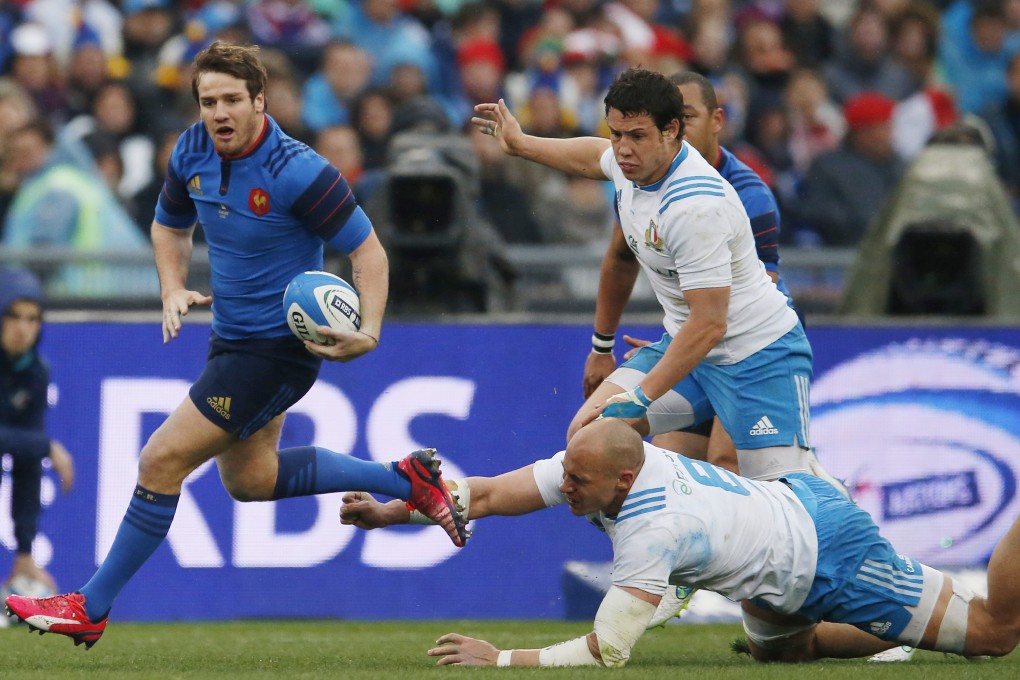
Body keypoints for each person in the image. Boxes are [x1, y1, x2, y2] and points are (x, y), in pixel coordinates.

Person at [5, 41, 468, 649]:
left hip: (278, 351)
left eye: (230, 100)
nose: (218, 113)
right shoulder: (193, 148)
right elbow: (170, 224)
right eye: (207, 102)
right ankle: (406, 479)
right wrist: (172, 285)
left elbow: (369, 251)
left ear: (259, 101)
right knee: (250, 481)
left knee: (160, 460)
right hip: (231, 340)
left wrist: (370, 332)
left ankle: (89, 605)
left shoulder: (299, 171)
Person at [339, 418, 1020, 668]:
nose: (563, 490)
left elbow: (607, 652)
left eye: (576, 482)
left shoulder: (650, 531)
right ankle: (904, 626)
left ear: (623, 480)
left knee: (994, 635)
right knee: (781, 652)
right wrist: (391, 513)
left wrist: (501, 661)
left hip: (828, 551)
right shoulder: (599, 464)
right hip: (779, 536)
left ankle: (937, 606)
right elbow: (482, 495)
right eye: (565, 475)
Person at [472, 68, 827, 485]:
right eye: (616, 133)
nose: (622, 149)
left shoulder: (696, 206)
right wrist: (521, 143)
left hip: (756, 356)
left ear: (671, 131)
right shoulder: (634, 162)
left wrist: (641, 396)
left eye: (636, 136)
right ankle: (653, 541)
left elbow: (711, 322)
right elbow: (593, 157)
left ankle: (853, 531)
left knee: (786, 502)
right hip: (694, 347)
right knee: (589, 437)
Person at [619, 71, 798, 475]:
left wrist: (683, 346)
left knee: (726, 461)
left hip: (750, 349)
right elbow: (619, 258)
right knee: (668, 466)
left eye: (685, 115)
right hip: (700, 339)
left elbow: (750, 301)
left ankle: (820, 497)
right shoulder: (643, 181)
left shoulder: (747, 192)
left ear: (717, 120)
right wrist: (601, 344)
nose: (675, 126)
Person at [0, 267, 74, 594]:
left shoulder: (35, 372)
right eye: (14, 316)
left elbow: (26, 462)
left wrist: (25, 552)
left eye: (33, 319)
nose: (23, 329)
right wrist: (47, 446)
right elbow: (33, 445)